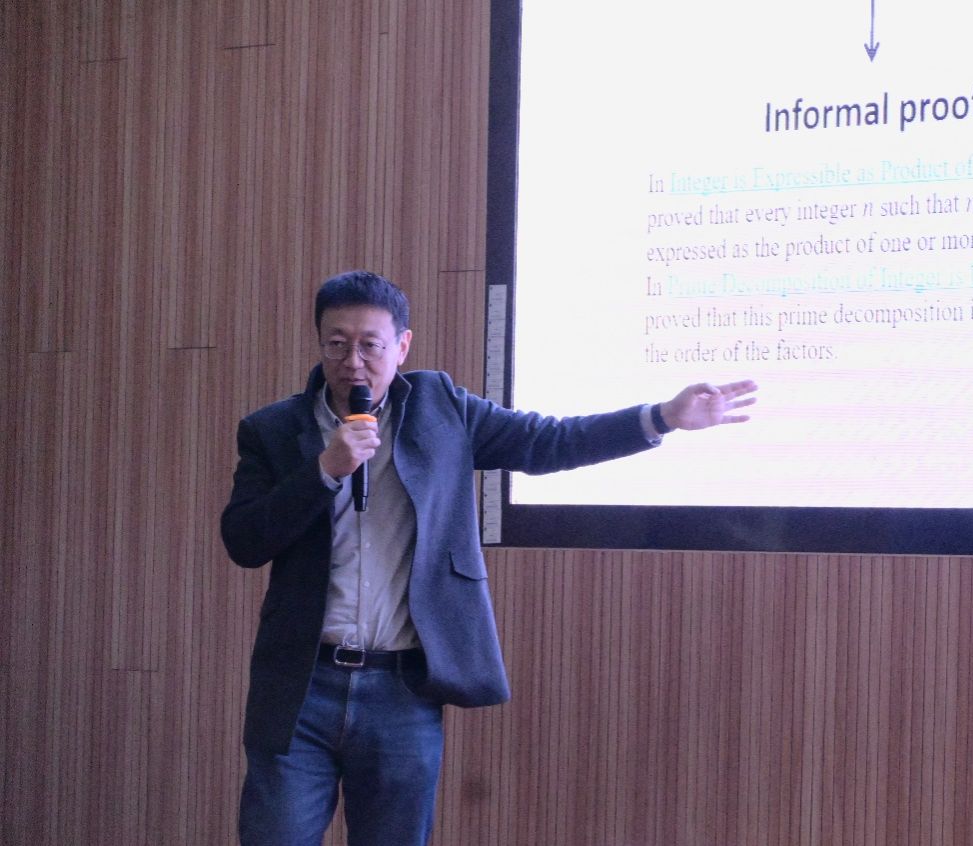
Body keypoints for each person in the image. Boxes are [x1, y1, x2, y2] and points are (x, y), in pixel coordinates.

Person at [220, 270, 757, 845]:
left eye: (370, 345)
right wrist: (324, 471)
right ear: (319, 344)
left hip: (402, 689)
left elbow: (549, 441)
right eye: (337, 344)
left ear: (402, 346)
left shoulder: (441, 408)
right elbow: (245, 541)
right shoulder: (272, 430)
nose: (353, 362)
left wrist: (661, 417)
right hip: (301, 687)